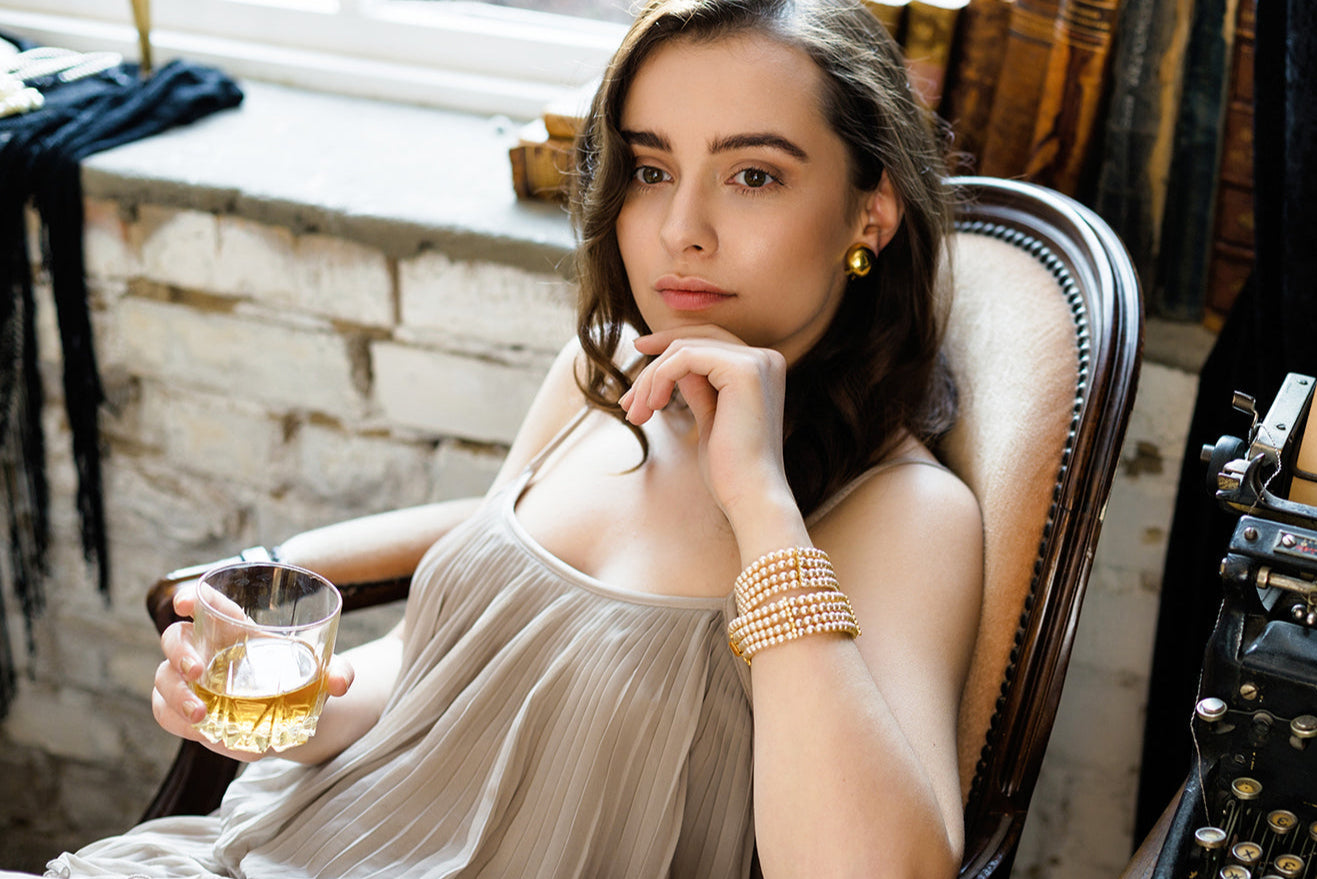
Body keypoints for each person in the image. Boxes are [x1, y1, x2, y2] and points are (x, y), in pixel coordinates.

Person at [18, 1, 983, 876]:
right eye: (651, 169)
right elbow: (430, 675)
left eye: (753, 175)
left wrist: (761, 507)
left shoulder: (904, 513)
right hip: (302, 848)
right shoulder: (599, 370)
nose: (679, 229)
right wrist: (296, 702)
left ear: (873, 208)